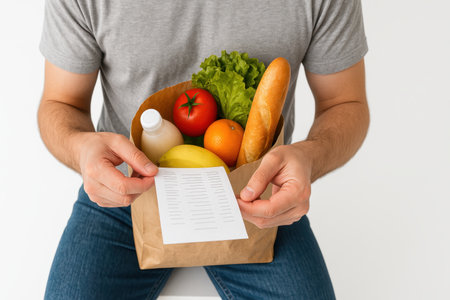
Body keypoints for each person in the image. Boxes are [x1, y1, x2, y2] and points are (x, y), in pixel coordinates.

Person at [38, 0, 369, 299]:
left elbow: (345, 102)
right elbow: (60, 102)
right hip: (126, 194)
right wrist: (81, 149)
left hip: (256, 198)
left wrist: (309, 159)